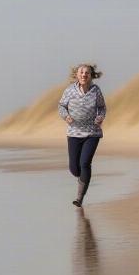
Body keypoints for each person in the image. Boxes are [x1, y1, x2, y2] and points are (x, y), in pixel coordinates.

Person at [58, 64, 107, 207]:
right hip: (74, 133)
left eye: (87, 73)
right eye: (81, 72)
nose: (84, 75)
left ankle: (79, 198)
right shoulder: (70, 91)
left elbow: (102, 107)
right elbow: (61, 106)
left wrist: (100, 117)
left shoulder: (95, 91)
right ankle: (83, 179)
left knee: (85, 163)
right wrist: (66, 116)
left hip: (92, 133)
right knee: (74, 168)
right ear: (77, 75)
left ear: (91, 75)